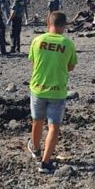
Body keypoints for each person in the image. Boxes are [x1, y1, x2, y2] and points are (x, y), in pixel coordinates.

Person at [27, 12, 78, 174]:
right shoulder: (68, 44)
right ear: (64, 25)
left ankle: (35, 150)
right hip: (57, 91)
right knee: (53, 127)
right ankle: (45, 163)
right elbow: (70, 67)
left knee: (37, 121)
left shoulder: (37, 40)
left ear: (48, 23)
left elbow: (33, 62)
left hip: (38, 89)